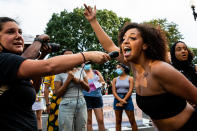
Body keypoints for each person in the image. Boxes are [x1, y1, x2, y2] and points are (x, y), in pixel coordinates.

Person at [84, 5, 197, 130]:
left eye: (132, 38)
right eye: (123, 39)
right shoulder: (134, 67)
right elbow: (110, 46)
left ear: (145, 45)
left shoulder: (160, 69)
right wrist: (93, 21)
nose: (125, 42)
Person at [0, 16, 110, 131]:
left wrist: (41, 56)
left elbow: (34, 90)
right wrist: (86, 55)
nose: (18, 36)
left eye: (20, 32)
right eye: (10, 32)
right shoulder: (3, 60)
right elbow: (49, 67)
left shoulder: (15, 67)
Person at [55, 49, 89, 131]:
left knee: (82, 128)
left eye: (72, 56)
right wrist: (68, 80)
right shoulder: (59, 73)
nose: (69, 58)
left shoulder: (81, 70)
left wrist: (80, 81)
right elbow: (57, 94)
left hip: (81, 103)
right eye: (66, 56)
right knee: (66, 129)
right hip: (66, 104)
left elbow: (88, 88)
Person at [112, 63, 138, 131]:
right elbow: (114, 92)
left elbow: (130, 90)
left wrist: (124, 100)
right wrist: (120, 100)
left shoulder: (130, 78)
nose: (117, 69)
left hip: (127, 99)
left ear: (123, 68)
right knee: (118, 121)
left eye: (118, 68)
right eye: (116, 68)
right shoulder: (115, 79)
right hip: (117, 99)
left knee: (132, 120)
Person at [82, 63, 106, 131]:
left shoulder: (96, 72)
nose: (86, 65)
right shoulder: (81, 73)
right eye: (84, 63)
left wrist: (96, 84)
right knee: (88, 121)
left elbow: (103, 82)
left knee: (100, 120)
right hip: (86, 97)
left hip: (97, 97)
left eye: (88, 63)